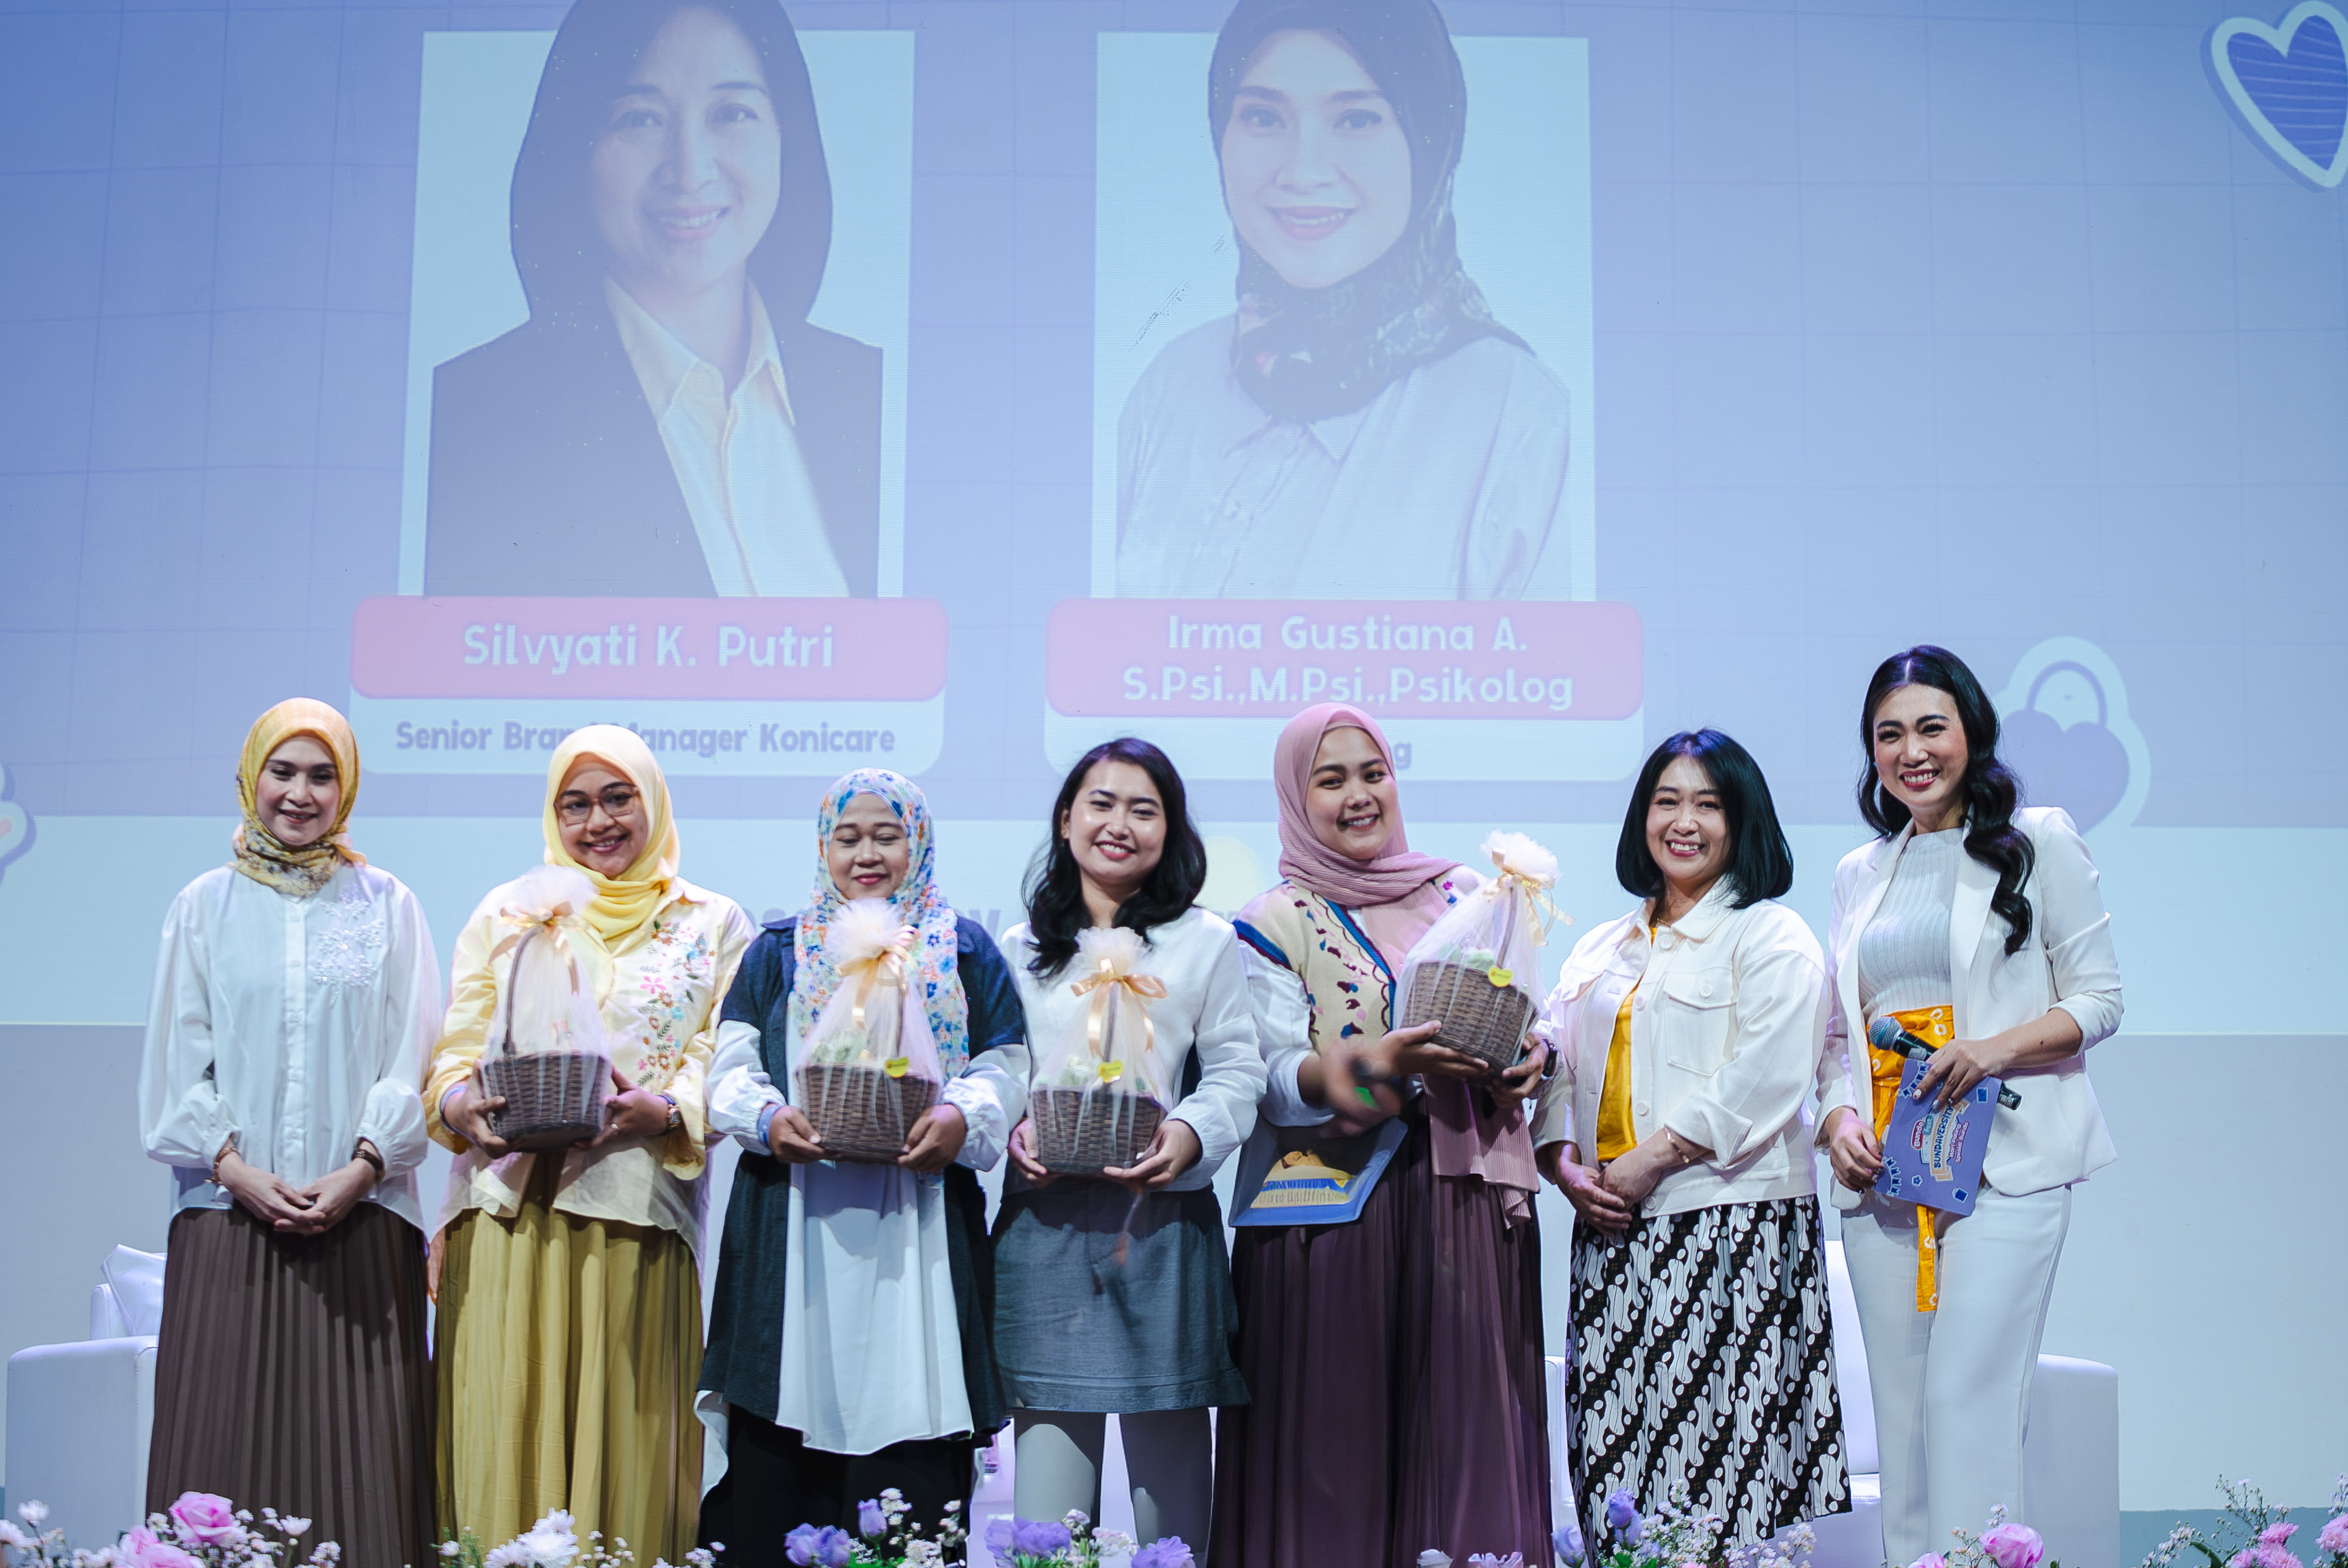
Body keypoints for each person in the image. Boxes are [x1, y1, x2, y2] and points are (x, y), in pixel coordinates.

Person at [1213, 702, 1551, 1566]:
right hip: (1326, 1215)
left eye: (1374, 774)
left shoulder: (1467, 895)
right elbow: (1273, 1079)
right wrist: (1371, 1066)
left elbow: (1527, 1010)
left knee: (1462, 1439)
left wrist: (1535, 1055)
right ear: (1297, 798)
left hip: (1457, 1203)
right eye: (1331, 781)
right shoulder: (1273, 919)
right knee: (1333, 1453)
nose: (1359, 795)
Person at [1818, 647, 2123, 1566]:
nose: (1912, 752)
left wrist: (1992, 1050)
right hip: (1888, 1179)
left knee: (1967, 1404)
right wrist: (1837, 1120)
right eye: (1889, 735)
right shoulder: (1859, 871)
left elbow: (2100, 1000)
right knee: (1906, 1428)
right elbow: (1836, 1036)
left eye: (1931, 728)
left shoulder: (2038, 840)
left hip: (2006, 1164)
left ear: (1972, 733)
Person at [1114, 0, 1572, 600]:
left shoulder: (1513, 411)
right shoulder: (1173, 384)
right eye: (1263, 117)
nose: (1303, 173)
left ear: (1429, 142)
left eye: (1356, 120)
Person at [428, 725, 754, 1560]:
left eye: (618, 798)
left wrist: (667, 1108)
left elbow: (724, 1055)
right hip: (505, 1214)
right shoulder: (509, 911)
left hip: (634, 1214)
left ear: (654, 802)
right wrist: (461, 1105)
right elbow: (455, 1050)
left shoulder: (711, 921)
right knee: (502, 1436)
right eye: (574, 804)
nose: (596, 822)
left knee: (628, 1450)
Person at [425, 0, 882, 597]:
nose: (690, 171)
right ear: (577, 147)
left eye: (732, 113)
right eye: (640, 119)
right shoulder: (469, 414)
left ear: (787, 137)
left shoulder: (873, 391)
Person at [697, 770, 1027, 1560]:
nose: (867, 854)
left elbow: (1005, 1062)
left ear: (920, 844)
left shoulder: (961, 948)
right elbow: (731, 1066)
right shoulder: (779, 950)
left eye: (888, 835)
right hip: (793, 1224)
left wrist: (960, 1116)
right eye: (848, 838)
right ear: (824, 849)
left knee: (914, 1458)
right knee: (778, 1459)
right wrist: (768, 1118)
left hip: (921, 1227)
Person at [140, 699, 440, 1566]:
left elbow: (413, 1057)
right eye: (283, 772)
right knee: (217, 1452)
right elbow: (176, 1068)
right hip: (227, 1221)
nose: (300, 795)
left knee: (363, 1472)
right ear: (252, 778)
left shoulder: (388, 904)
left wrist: (361, 1169)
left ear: (347, 790)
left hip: (363, 1221)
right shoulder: (204, 905)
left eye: (322, 776)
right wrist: (237, 1171)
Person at [1534, 730, 1848, 1544]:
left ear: (1742, 822)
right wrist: (1562, 1165)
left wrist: (1652, 1158)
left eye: (1708, 805)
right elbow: (1559, 1064)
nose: (1684, 822)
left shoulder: (1771, 935)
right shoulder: (1602, 945)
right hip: (1611, 1229)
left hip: (1731, 1226)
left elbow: (1769, 1073)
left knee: (1717, 1480)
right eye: (1666, 801)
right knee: (1611, 1463)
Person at [992, 740, 1265, 1550]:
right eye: (1101, 804)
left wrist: (1190, 1132)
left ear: (1169, 831)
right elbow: (1001, 1068)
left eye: (1144, 810)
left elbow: (1237, 1070)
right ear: (1066, 819)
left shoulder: (1205, 941)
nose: (1119, 824)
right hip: (1044, 1229)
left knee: (1168, 1528)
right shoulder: (1017, 947)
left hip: (1160, 1232)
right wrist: (1013, 1126)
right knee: (1049, 1526)